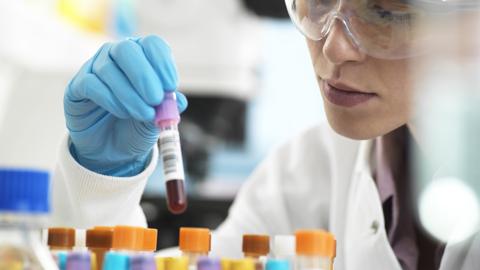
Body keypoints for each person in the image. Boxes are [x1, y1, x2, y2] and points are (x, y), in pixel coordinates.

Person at [50, 1, 480, 269]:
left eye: (385, 13)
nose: (333, 47)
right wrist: (103, 187)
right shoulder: (312, 168)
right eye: (322, 1)